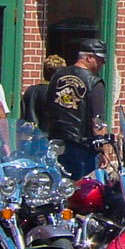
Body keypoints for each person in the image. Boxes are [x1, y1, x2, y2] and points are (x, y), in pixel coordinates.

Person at [44, 39, 112, 178]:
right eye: (100, 59)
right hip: (82, 147)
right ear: (88, 57)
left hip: (56, 143)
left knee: (59, 189)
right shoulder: (94, 82)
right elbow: (97, 121)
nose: (102, 63)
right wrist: (105, 148)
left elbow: (48, 107)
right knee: (83, 193)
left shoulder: (57, 76)